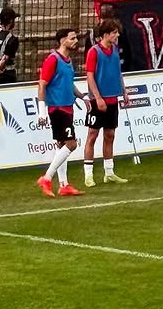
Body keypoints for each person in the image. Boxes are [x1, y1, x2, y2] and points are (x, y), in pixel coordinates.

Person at [36, 28, 83, 198]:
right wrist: (42, 111)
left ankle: (64, 185)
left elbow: (69, 84)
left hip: (67, 107)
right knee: (71, 144)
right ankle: (47, 178)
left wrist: (83, 97)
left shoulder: (68, 61)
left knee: (62, 145)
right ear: (63, 40)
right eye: (72, 38)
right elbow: (42, 84)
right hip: (58, 108)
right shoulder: (53, 59)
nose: (76, 41)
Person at [82, 19, 128, 187]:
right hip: (98, 101)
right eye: (114, 32)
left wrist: (124, 91)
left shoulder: (115, 50)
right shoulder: (94, 52)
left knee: (110, 135)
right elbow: (90, 76)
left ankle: (109, 173)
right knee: (92, 135)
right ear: (106, 34)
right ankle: (88, 175)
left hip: (112, 99)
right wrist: (98, 98)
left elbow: (118, 72)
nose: (117, 35)